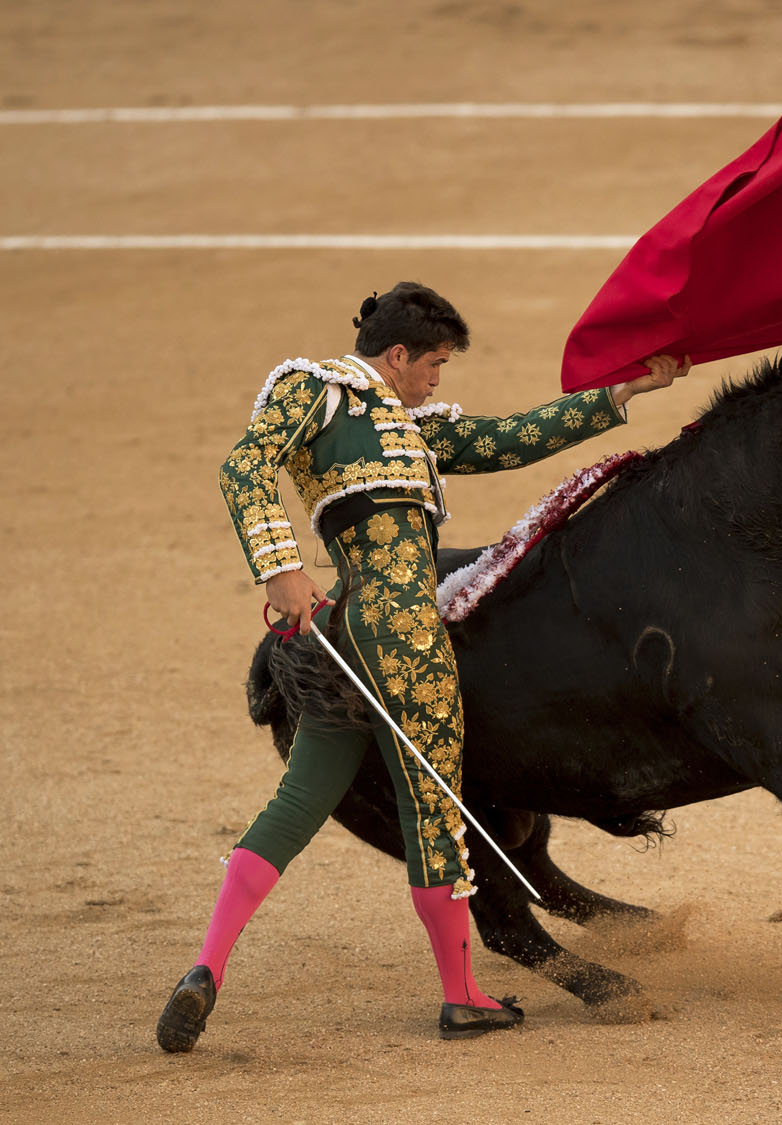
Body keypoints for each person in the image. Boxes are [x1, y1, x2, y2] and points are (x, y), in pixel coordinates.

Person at [157, 281, 687, 1050]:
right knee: (433, 807)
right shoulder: (321, 389)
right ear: (396, 354)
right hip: (401, 627)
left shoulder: (406, 425)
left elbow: (510, 437)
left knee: (298, 802)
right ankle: (461, 995)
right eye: (433, 363)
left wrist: (619, 395)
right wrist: (279, 565)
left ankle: (206, 967)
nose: (439, 379)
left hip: (341, 630)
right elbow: (245, 468)